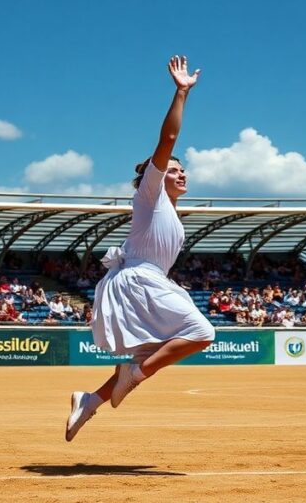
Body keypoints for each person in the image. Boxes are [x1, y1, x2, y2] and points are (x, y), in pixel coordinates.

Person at [66, 55, 214, 442]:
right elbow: (167, 140)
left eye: (183, 171)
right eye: (174, 170)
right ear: (157, 174)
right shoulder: (151, 194)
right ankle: (131, 377)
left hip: (148, 280)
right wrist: (181, 93)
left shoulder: (170, 214)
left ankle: (91, 400)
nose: (181, 174)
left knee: (148, 354)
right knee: (201, 332)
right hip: (138, 280)